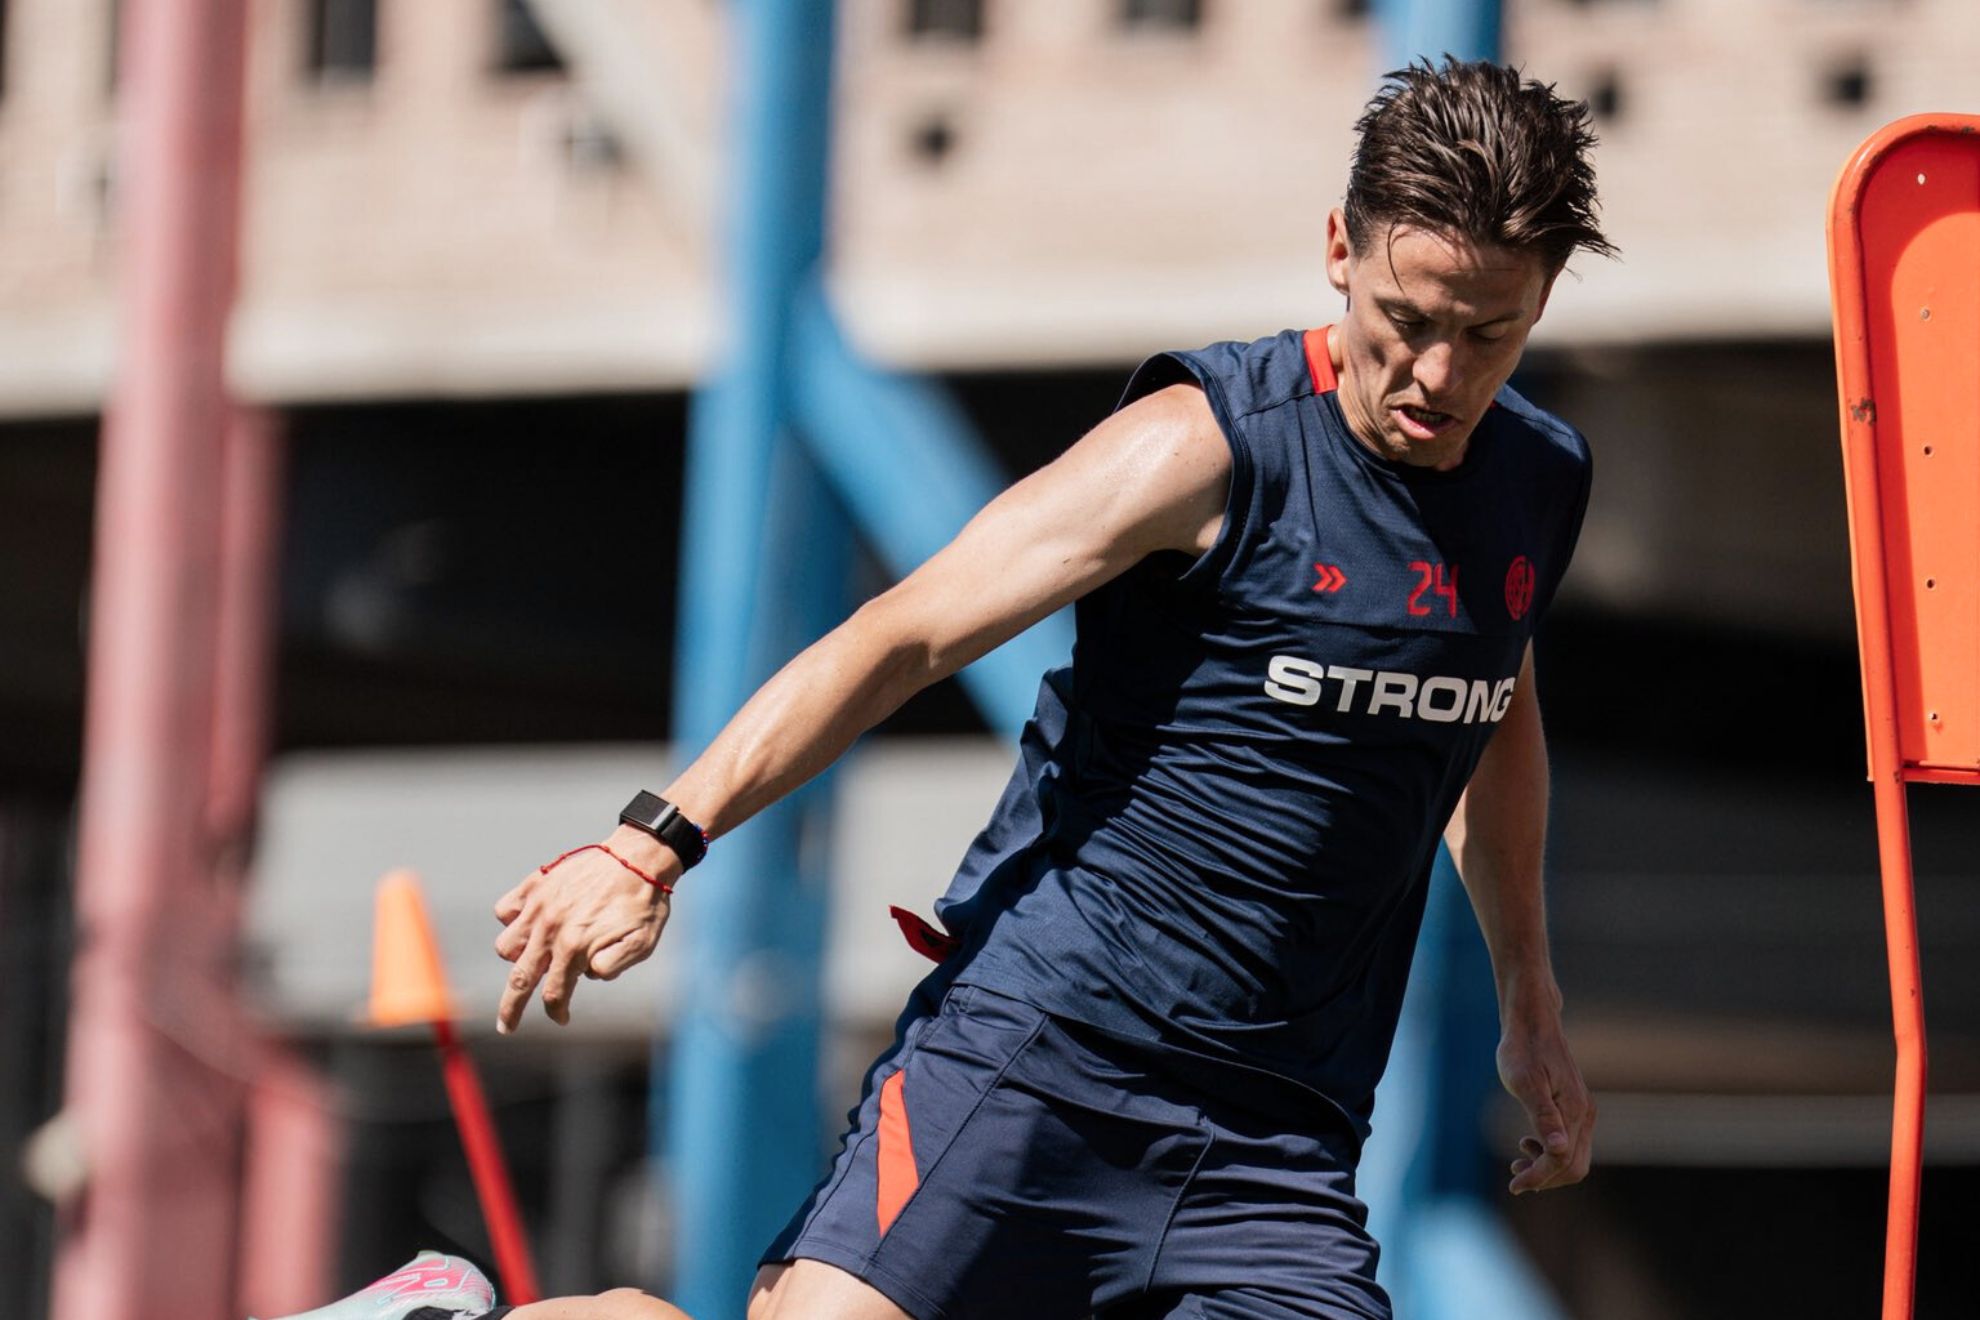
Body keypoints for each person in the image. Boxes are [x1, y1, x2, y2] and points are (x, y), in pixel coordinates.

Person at [476, 57, 1614, 1320]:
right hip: (1041, 1053)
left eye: (1489, 334)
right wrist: (653, 842)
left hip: (1280, 1139)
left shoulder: (1537, 482)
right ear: (1340, 249)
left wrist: (1531, 996)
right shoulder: (1204, 448)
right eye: (1408, 320)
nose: (1439, 376)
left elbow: (1490, 711)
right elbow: (906, 634)